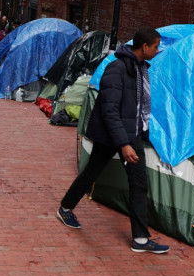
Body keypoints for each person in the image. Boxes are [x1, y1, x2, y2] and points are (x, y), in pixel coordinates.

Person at [56, 27, 169, 254]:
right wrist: (124, 144)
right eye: (155, 46)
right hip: (112, 136)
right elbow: (110, 111)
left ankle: (140, 239)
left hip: (132, 133)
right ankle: (65, 207)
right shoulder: (116, 69)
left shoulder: (139, 68)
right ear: (144, 46)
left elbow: (136, 106)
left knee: (139, 184)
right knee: (91, 173)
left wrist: (136, 134)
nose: (158, 51)